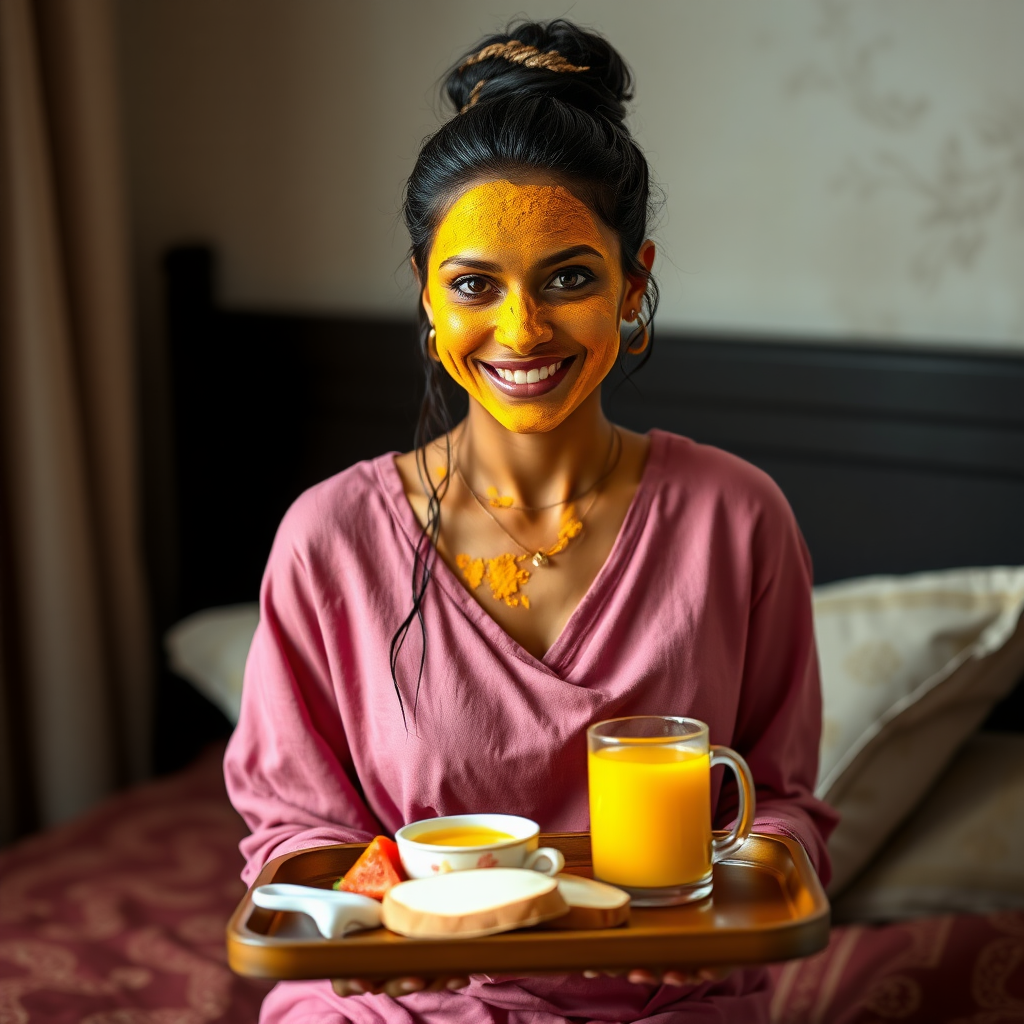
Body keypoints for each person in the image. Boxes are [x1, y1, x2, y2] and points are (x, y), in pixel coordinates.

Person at [224, 19, 838, 1023]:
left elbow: (779, 800)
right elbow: (295, 827)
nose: (520, 331)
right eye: (474, 285)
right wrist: (373, 935)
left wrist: (723, 902)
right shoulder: (328, 537)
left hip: (664, 999)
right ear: (426, 296)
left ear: (632, 284)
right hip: (399, 1004)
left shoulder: (738, 517)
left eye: (568, 278)